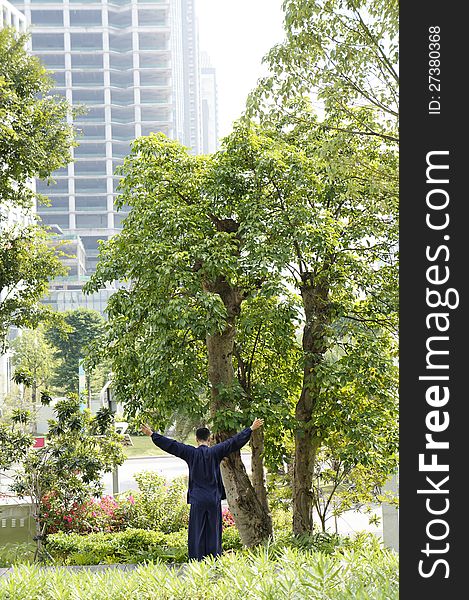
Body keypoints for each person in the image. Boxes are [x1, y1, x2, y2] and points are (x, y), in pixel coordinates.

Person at [141, 417, 264, 561]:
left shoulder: (190, 453)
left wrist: (152, 434)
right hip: (213, 498)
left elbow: (171, 445)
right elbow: (233, 442)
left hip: (198, 499)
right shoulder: (215, 452)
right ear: (210, 439)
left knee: (197, 531)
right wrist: (250, 429)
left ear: (196, 439)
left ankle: (196, 561)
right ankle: (213, 560)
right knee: (213, 531)